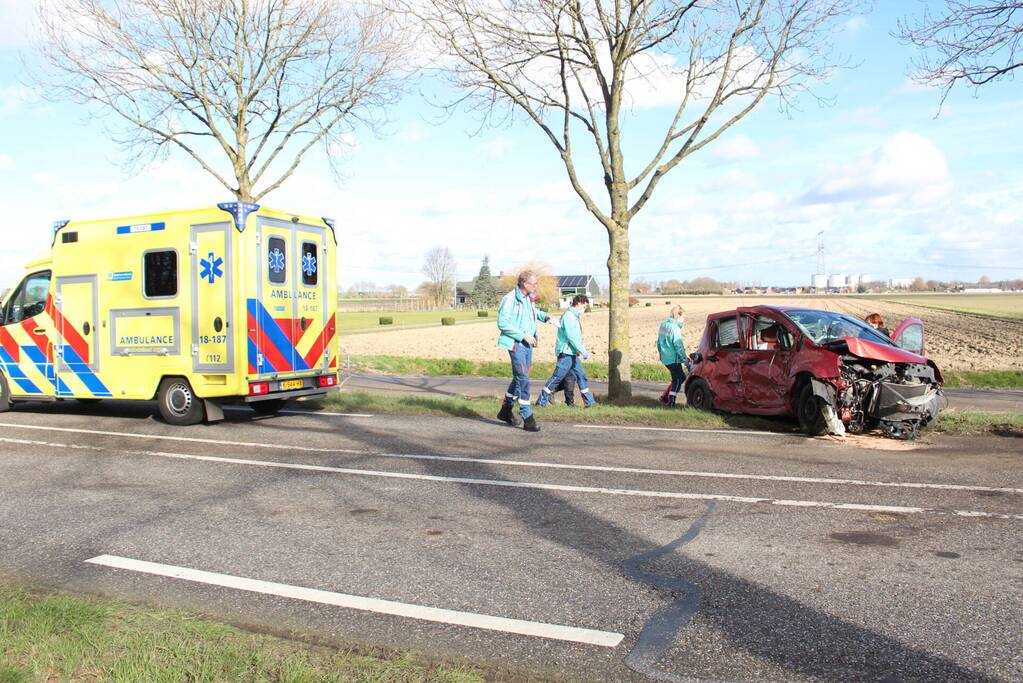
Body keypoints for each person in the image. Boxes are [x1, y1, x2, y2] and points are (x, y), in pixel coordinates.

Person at [496, 270, 551, 432]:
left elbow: (532, 313)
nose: (536, 286)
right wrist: (523, 336)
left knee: (520, 377)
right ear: (524, 284)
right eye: (533, 283)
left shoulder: (528, 298)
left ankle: (505, 410)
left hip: (528, 344)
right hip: (516, 343)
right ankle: (527, 416)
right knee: (523, 379)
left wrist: (546, 317)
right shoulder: (510, 299)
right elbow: (502, 323)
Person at [537, 294, 596, 407]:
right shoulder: (569, 316)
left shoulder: (574, 316)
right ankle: (541, 401)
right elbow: (571, 337)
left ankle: (590, 403)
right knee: (557, 378)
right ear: (578, 304)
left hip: (572, 353)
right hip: (566, 354)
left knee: (581, 376)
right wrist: (583, 350)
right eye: (584, 306)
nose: (585, 309)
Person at [657, 305, 691, 408]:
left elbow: (658, 343)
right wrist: (686, 362)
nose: (683, 320)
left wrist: (662, 354)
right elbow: (678, 347)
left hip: (665, 358)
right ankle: (671, 402)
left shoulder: (663, 325)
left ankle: (665, 397)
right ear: (678, 315)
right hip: (673, 359)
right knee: (678, 379)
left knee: (678, 377)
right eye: (683, 317)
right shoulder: (675, 328)